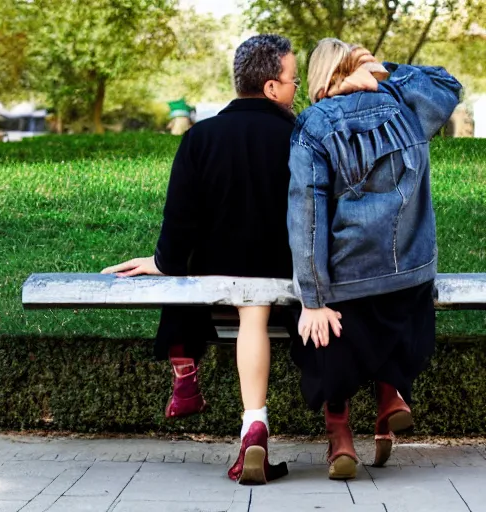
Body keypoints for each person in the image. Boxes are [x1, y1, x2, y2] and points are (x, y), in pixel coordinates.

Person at [102, 34, 299, 484]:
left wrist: (162, 262)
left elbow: (181, 218)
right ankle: (260, 425)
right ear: (271, 88)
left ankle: (195, 380)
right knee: (258, 305)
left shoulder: (201, 137)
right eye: (292, 80)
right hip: (286, 272)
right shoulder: (300, 134)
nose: (296, 89)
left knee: (238, 297)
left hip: (216, 274)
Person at [288, 38, 462, 480]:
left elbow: (306, 212)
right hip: (411, 274)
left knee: (325, 336)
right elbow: (447, 83)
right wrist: (385, 69)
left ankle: (340, 438)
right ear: (356, 68)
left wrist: (313, 296)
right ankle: (391, 395)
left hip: (349, 279)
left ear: (320, 78)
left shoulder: (313, 124)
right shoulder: (406, 107)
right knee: (397, 315)